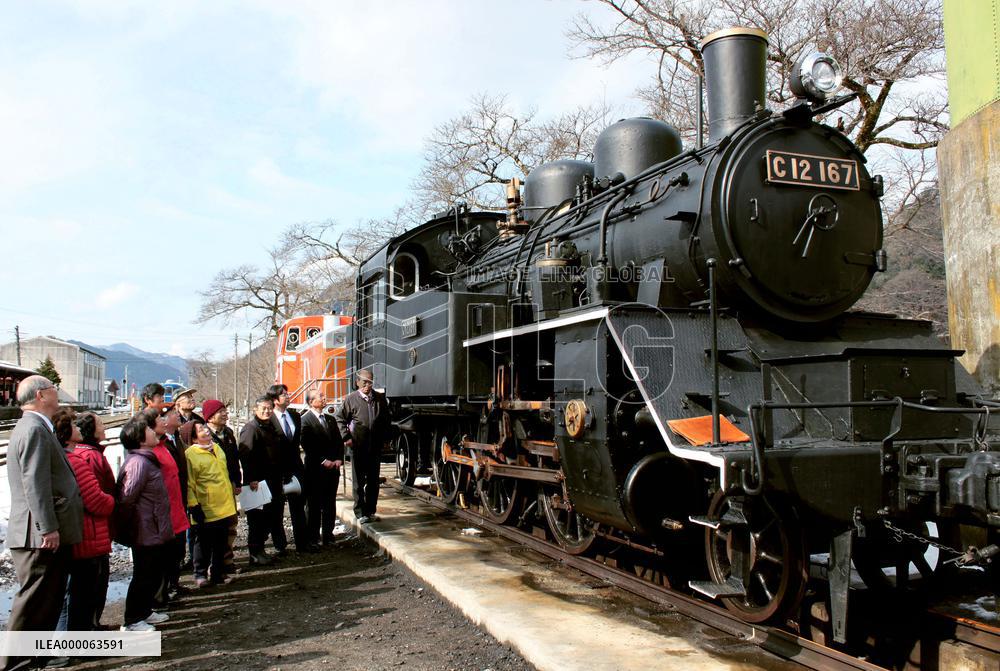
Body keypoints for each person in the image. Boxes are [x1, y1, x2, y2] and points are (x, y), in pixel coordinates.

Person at [2, 376, 83, 671]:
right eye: (53, 390)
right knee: (34, 600)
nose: (57, 394)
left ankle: (34, 658)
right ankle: (16, 664)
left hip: (41, 532)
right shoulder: (34, 429)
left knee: (46, 600)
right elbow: (34, 483)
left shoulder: (37, 427)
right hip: (37, 535)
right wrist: (47, 527)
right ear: (40, 395)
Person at [116, 417, 173, 631]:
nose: (152, 431)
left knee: (152, 571)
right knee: (143, 573)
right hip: (145, 528)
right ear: (140, 439)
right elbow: (126, 499)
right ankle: (132, 620)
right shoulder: (138, 463)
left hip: (153, 527)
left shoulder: (145, 459)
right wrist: (129, 529)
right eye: (148, 429)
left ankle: (145, 611)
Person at [66, 412, 115, 631]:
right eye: (100, 424)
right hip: (92, 529)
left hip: (91, 529)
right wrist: (112, 501)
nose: (104, 428)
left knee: (89, 586)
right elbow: (95, 496)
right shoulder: (89, 457)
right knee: (88, 586)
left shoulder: (85, 454)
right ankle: (86, 633)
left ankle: (90, 627)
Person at [140, 408, 190, 606]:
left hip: (175, 507)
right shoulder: (149, 453)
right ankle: (158, 597)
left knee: (174, 552)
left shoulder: (167, 444)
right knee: (161, 558)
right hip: (162, 511)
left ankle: (169, 588)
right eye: (161, 417)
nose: (165, 419)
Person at [185, 423, 238, 587]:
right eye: (201, 430)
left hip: (224, 503)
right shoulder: (190, 454)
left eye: (205, 428)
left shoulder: (216, 448)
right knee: (203, 542)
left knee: (221, 541)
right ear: (194, 438)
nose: (206, 431)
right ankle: (200, 574)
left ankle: (218, 572)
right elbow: (189, 482)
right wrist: (193, 504)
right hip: (205, 505)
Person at [335, 369, 390, 523]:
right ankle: (360, 513)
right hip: (358, 446)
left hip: (375, 446)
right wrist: (346, 437)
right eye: (364, 382)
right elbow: (339, 419)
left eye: (370, 382)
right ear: (357, 382)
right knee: (359, 482)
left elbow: (386, 420)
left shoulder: (379, 399)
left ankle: (371, 510)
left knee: (373, 480)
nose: (368, 385)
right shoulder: (351, 399)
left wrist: (386, 439)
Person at [238, 396, 286, 565]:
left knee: (268, 518)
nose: (266, 411)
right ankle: (255, 553)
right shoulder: (250, 429)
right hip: (257, 482)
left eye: (269, 408)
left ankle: (261, 551)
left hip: (272, 481)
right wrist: (251, 479)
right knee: (256, 520)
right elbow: (246, 455)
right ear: (255, 410)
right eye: (263, 408)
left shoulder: (271, 427)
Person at [268, 383, 311, 552]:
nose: (287, 396)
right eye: (283, 394)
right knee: (277, 508)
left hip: (296, 468)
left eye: (287, 393)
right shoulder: (269, 419)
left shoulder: (295, 416)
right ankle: (280, 544)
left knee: (298, 507)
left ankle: (302, 542)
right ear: (275, 400)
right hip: (276, 471)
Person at [300, 389, 344, 547]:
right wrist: (323, 460)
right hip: (315, 470)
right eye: (320, 397)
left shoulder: (331, 420)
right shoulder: (305, 420)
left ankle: (328, 535)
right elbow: (307, 445)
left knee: (329, 503)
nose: (325, 399)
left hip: (333, 470)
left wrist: (339, 458)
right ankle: (312, 537)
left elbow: (339, 441)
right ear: (311, 402)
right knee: (313, 504)